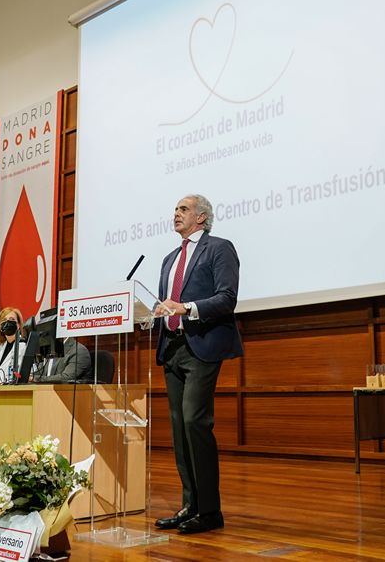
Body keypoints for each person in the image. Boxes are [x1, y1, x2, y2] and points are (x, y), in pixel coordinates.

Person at [152, 194, 243, 535]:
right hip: (171, 347)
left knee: (194, 421)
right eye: (175, 209)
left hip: (201, 346)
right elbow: (166, 302)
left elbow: (227, 298)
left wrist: (186, 307)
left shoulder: (219, 248)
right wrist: (157, 312)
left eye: (183, 209)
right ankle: (190, 505)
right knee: (179, 430)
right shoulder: (169, 259)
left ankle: (209, 511)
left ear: (201, 217)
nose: (176, 213)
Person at [0, 307, 26, 385]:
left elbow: (21, 379)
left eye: (12, 319)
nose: (8, 322)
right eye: (4, 320)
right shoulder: (0, 348)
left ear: (19, 325)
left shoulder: (24, 347)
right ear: (0, 327)